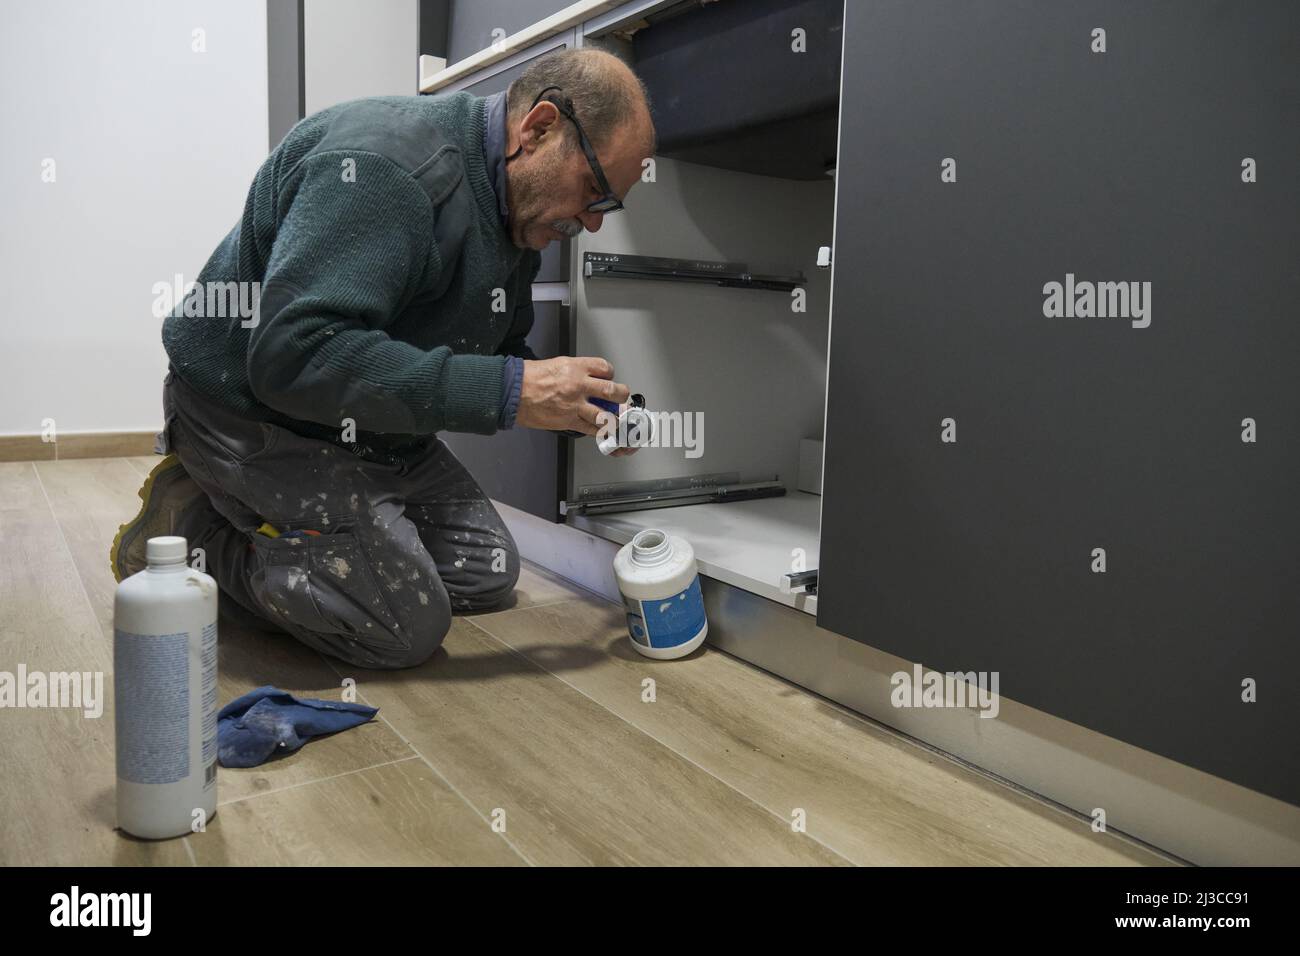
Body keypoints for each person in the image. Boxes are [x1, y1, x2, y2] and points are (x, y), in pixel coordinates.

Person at [110, 49, 656, 669]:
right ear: (538, 128)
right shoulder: (385, 171)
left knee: (486, 573)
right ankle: (188, 532)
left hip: (363, 424)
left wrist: (567, 404)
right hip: (247, 411)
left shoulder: (514, 207)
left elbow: (497, 348)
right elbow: (294, 357)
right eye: (593, 192)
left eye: (608, 207)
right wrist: (509, 392)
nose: (591, 222)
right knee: (403, 627)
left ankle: (317, 529)